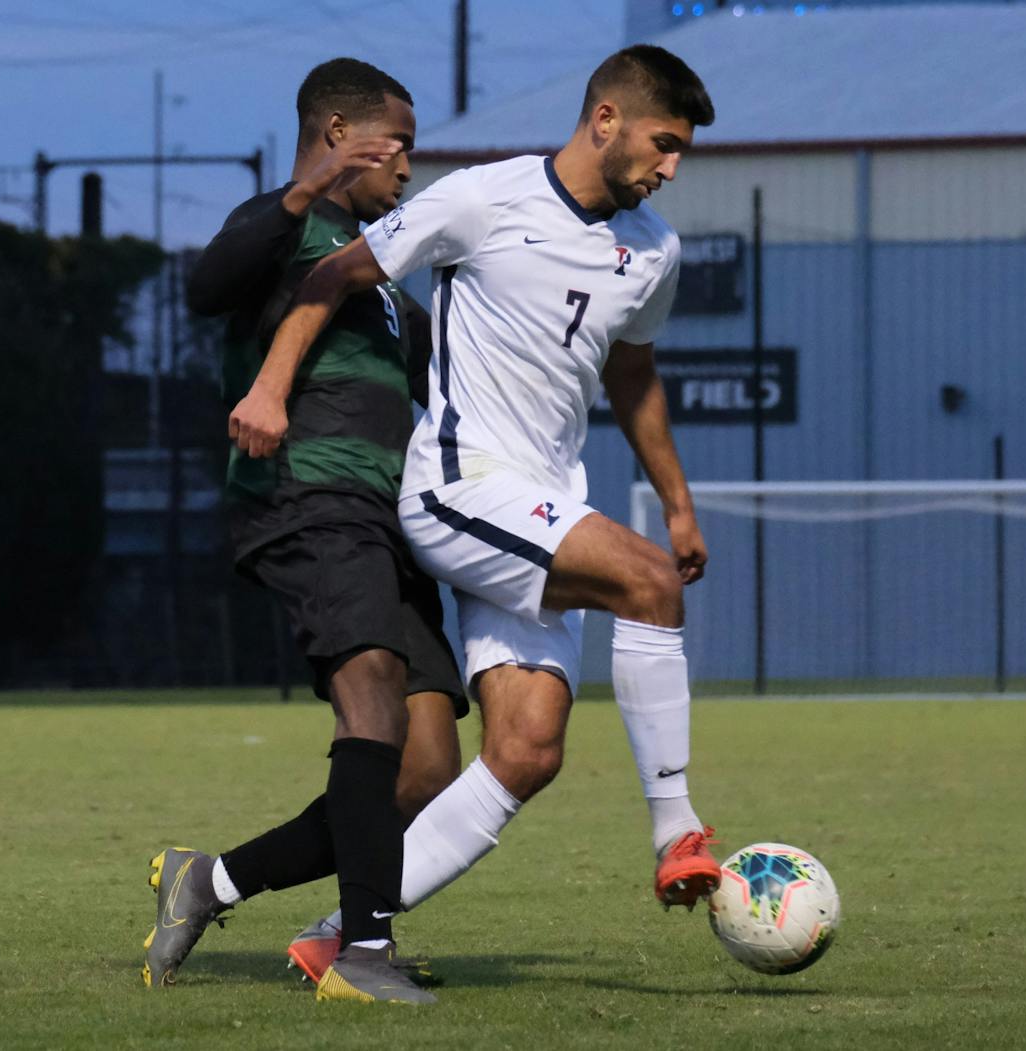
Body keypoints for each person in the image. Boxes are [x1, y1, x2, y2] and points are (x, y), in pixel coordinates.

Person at [237, 45, 721, 936]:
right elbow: (334, 273)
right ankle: (676, 829)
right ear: (605, 119)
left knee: (525, 752)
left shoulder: (654, 250)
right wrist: (269, 389)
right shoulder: (482, 197)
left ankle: (338, 940)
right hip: (459, 487)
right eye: (663, 142)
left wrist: (679, 500)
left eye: (682, 150)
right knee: (648, 582)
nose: (671, 167)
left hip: (541, 504)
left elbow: (635, 375)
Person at [143, 57, 464, 1004]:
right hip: (304, 498)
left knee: (431, 763)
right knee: (367, 687)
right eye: (395, 145)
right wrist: (303, 191)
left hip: (388, 521)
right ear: (337, 133)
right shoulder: (285, 232)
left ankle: (213, 880)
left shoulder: (387, 281)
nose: (407, 166)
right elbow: (208, 283)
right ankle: (362, 952)